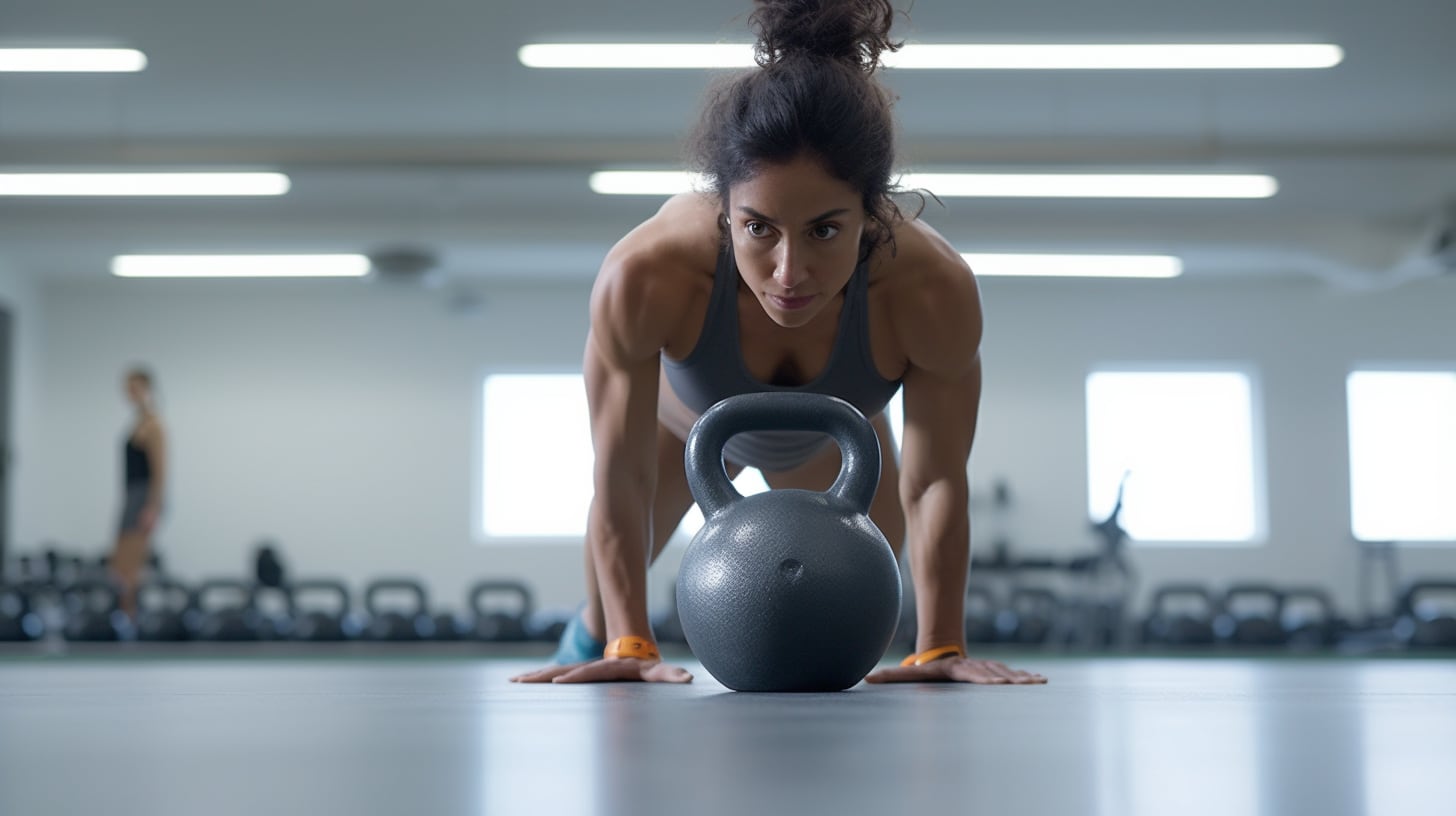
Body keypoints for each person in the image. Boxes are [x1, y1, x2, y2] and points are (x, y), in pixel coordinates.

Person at [513, 0, 1044, 686]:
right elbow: (622, 474)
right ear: (724, 207)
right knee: (608, 618)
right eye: (758, 227)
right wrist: (631, 648)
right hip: (678, 435)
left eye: (825, 230)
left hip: (836, 446)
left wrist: (942, 647)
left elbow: (936, 478)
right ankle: (587, 635)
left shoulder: (930, 289)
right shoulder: (647, 276)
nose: (789, 274)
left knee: (856, 606)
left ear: (871, 212)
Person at [111, 366, 166, 617]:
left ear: (147, 389)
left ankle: (130, 618)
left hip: (143, 498)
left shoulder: (154, 426)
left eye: (135, 388)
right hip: (131, 495)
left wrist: (154, 507)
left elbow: (160, 471)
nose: (130, 394)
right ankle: (124, 615)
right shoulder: (136, 424)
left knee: (131, 567)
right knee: (119, 565)